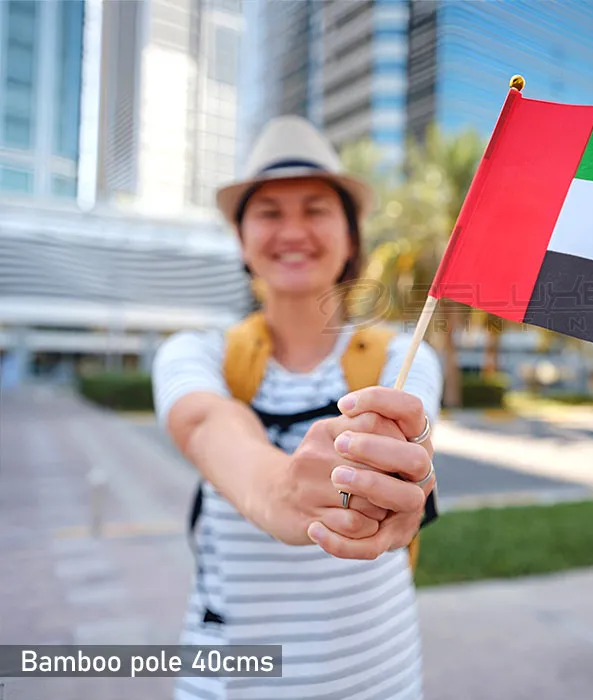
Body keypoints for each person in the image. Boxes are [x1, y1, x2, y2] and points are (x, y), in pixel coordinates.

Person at [151, 115, 443, 700]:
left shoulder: (401, 360)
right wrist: (279, 489)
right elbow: (208, 422)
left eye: (315, 209)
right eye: (268, 212)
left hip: (377, 675)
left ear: (351, 236)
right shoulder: (196, 352)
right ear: (240, 238)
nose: (293, 230)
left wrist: (397, 489)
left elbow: (406, 453)